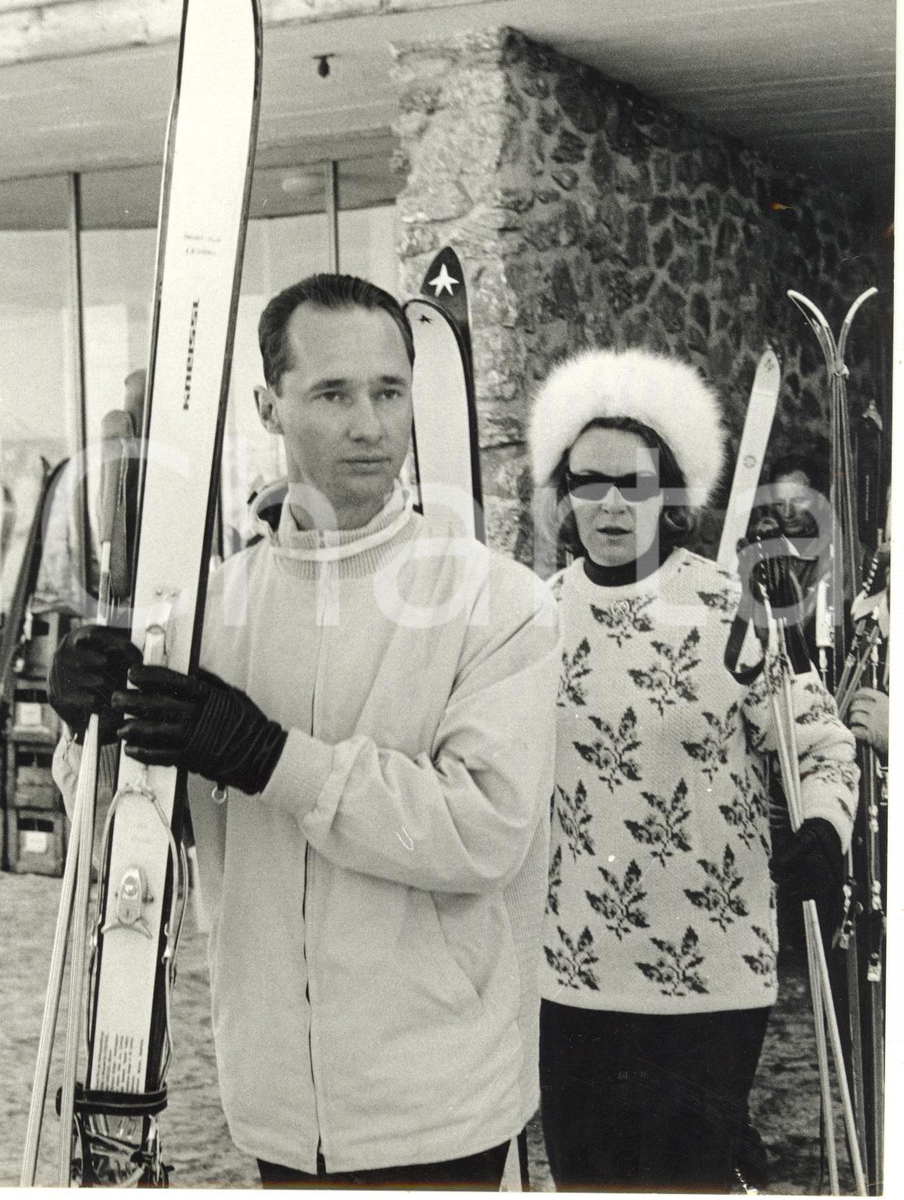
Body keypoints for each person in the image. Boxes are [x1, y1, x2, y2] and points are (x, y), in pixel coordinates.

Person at [48, 272, 560, 1189]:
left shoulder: (496, 602)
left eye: (388, 391)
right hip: (278, 1100)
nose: (369, 424)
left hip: (438, 1100)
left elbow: (482, 832)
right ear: (267, 406)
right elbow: (129, 845)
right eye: (332, 393)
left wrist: (267, 755)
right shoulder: (209, 609)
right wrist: (87, 734)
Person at [528, 347, 858, 1193]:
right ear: (563, 494)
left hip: (710, 974)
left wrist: (824, 826)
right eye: (586, 481)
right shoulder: (531, 618)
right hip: (574, 973)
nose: (607, 503)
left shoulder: (728, 604)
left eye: (630, 484)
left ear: (668, 494)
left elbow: (818, 741)